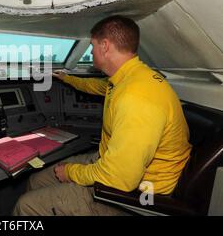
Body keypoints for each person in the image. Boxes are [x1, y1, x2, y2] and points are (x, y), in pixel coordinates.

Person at [13, 15, 192, 216]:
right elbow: (99, 86)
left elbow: (119, 178)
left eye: (92, 46)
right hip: (112, 162)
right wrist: (67, 78)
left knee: (26, 205)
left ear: (105, 46)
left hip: (141, 195)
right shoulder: (130, 77)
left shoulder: (137, 99)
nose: (90, 51)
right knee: (35, 180)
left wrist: (71, 172)